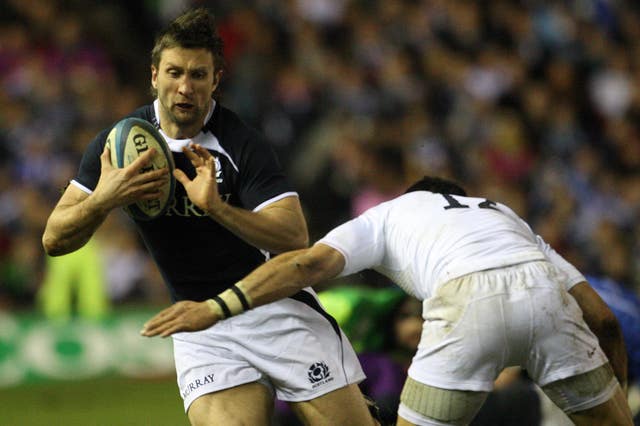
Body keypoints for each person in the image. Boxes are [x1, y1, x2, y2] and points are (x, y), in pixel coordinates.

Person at [42, 8, 377, 426]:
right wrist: (103, 199)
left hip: (275, 308)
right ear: (154, 75)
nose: (185, 87)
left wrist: (217, 208)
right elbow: (54, 240)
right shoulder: (119, 145)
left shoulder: (240, 143)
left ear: (215, 80)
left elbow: (294, 236)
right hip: (202, 326)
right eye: (174, 72)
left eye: (198, 75)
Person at [141, 176, 634, 426]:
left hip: (465, 300)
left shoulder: (390, 213)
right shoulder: (504, 216)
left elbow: (304, 264)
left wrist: (216, 307)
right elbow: (604, 321)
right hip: (543, 289)